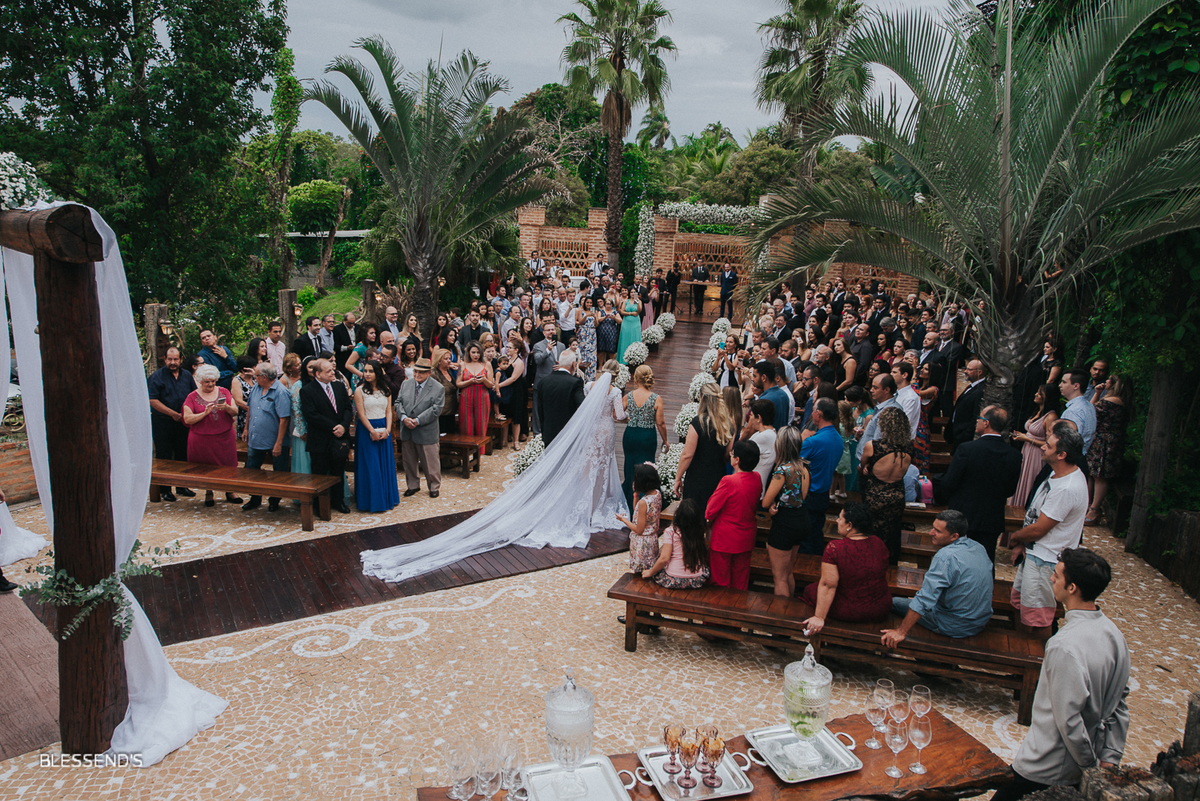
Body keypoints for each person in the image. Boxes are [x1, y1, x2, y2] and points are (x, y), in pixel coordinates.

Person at [362, 356, 630, 581]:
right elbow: (597, 412)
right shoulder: (594, 387)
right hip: (594, 433)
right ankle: (592, 508)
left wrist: (540, 429)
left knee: (584, 471)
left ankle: (582, 505)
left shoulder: (572, 384)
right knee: (597, 472)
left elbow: (557, 409)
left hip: (561, 432)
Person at [992, 548, 1130, 801]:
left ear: (1072, 588)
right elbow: (1119, 703)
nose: (1051, 578)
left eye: (1056, 575)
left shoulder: (1063, 645)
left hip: (1048, 765)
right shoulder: (1115, 636)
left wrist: (1090, 767)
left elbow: (1068, 720)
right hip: (1079, 762)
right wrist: (1110, 756)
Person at [1010, 423, 1089, 639]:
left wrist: (1015, 537)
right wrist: (1022, 545)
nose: (1043, 447)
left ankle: (1037, 656)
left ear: (1062, 455)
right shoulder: (1058, 474)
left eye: (1049, 445)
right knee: (1021, 605)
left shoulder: (1067, 488)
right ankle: (1021, 650)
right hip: (1035, 554)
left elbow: (1039, 529)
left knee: (1038, 618)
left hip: (1045, 561)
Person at [881, 510, 994, 646]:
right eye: (933, 528)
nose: (931, 533)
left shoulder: (945, 556)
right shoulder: (978, 547)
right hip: (979, 621)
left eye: (937, 531)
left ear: (954, 536)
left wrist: (901, 632)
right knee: (912, 602)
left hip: (953, 625)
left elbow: (925, 599)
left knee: (889, 602)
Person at [935, 405, 1023, 564]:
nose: (977, 421)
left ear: (986, 423)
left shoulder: (967, 449)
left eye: (979, 418)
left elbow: (949, 483)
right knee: (985, 561)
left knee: (957, 561)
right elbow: (1010, 490)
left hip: (962, 515)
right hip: (991, 518)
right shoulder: (1014, 455)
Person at [801, 503, 892, 632]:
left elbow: (828, 585)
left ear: (849, 525)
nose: (837, 521)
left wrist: (819, 617)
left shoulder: (835, 548)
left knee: (809, 590)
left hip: (849, 609)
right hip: (880, 607)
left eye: (840, 518)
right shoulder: (878, 542)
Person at [705, 439, 763, 590]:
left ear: (737, 460)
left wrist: (709, 521)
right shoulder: (757, 478)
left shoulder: (729, 481)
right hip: (746, 537)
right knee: (740, 582)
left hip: (724, 537)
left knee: (720, 582)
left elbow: (710, 509)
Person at [181, 364, 241, 507]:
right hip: (203, 439)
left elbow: (235, 411)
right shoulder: (192, 396)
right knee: (206, 466)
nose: (210, 384)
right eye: (207, 381)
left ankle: (230, 490)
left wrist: (226, 407)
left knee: (228, 464)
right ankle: (209, 491)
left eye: (213, 381)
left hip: (224, 436)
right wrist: (204, 414)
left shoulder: (224, 392)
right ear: (200, 381)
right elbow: (187, 419)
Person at [300, 358, 354, 514]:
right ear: (318, 374)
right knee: (320, 474)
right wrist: (333, 427)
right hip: (320, 439)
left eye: (332, 369)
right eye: (328, 371)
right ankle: (319, 506)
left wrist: (343, 426)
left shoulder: (339, 386)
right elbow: (311, 415)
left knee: (338, 472)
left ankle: (338, 501)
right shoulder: (307, 390)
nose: (332, 372)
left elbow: (347, 408)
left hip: (339, 437)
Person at [860, 407, 914, 563]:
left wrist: (866, 467)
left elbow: (862, 465)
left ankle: (870, 562)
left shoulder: (873, 446)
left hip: (874, 494)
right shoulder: (909, 447)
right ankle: (890, 562)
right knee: (892, 532)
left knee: (872, 531)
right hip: (896, 495)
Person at [761, 426, 810, 597]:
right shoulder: (804, 467)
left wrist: (773, 505)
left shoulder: (782, 471)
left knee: (779, 577)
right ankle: (791, 606)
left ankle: (781, 610)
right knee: (788, 571)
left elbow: (765, 501)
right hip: (801, 518)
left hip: (785, 524)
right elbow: (801, 497)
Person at [147, 346, 197, 502]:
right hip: (163, 422)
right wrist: (172, 414)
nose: (173, 362)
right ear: (165, 359)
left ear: (181, 359)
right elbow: (152, 400)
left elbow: (193, 395)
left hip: (183, 422)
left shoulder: (187, 375)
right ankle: (165, 489)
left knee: (183, 454)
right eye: (170, 359)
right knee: (165, 455)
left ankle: (182, 486)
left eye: (175, 359)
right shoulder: (156, 377)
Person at [242, 362, 292, 513]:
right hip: (256, 438)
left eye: (256, 376)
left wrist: (279, 443)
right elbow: (250, 409)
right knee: (252, 469)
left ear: (264, 377)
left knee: (279, 472)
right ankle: (255, 498)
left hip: (274, 440)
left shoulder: (281, 392)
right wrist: (246, 428)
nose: (254, 378)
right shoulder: (256, 388)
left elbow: (284, 419)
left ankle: (274, 500)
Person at [674, 384, 735, 505]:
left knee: (693, 510)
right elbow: (727, 454)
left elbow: (687, 454)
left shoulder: (698, 422)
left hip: (697, 476)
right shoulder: (728, 423)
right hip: (717, 474)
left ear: (702, 398)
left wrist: (678, 477)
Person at [351, 361, 400, 511]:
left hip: (384, 428)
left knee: (384, 463)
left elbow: (388, 411)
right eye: (365, 371)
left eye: (371, 371)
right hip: (367, 430)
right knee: (371, 464)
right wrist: (372, 431)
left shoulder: (386, 390)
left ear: (377, 373)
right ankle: (370, 501)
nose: (367, 374)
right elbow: (361, 414)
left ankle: (386, 497)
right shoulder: (359, 391)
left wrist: (387, 430)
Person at [392, 356, 443, 499]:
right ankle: (413, 485)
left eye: (421, 372)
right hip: (407, 428)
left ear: (429, 373)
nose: (417, 374)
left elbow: (436, 409)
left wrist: (418, 420)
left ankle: (434, 486)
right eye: (415, 371)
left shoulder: (438, 388)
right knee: (409, 460)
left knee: (430, 462)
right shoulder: (405, 384)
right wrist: (404, 418)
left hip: (426, 430)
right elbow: (398, 402)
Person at [800, 397, 844, 554]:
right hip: (823, 492)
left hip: (809, 493)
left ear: (818, 414)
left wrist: (802, 439)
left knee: (805, 538)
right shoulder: (838, 438)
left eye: (813, 411)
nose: (812, 414)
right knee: (816, 533)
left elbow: (793, 465)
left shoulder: (813, 442)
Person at [1086, 373, 1132, 525]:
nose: (1105, 381)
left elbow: (1089, 411)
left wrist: (1097, 394)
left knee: (1100, 476)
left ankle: (1094, 510)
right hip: (1105, 440)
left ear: (1114, 384)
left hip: (1105, 442)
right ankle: (1088, 507)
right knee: (1092, 474)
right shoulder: (1121, 401)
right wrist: (1098, 393)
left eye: (1108, 380)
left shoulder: (1112, 401)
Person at [622, 365, 668, 509]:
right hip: (647, 437)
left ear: (636, 378)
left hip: (630, 435)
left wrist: (629, 420)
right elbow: (660, 423)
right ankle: (646, 501)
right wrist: (665, 440)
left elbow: (617, 414)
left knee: (630, 466)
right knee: (647, 466)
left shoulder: (628, 396)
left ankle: (629, 500)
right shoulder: (656, 398)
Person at [1010, 383, 1061, 507]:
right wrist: (1023, 436)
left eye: (1040, 393)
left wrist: (1027, 439)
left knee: (1030, 479)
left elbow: (1050, 442)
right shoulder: (1038, 411)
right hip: (1027, 450)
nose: (1036, 394)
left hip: (1037, 454)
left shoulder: (1051, 417)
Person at [616, 463, 663, 574]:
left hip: (642, 544)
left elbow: (639, 529)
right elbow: (638, 512)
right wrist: (636, 495)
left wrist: (623, 520)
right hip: (652, 539)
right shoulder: (657, 494)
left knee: (640, 573)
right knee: (650, 569)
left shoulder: (644, 502)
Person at [537, 349, 589, 446]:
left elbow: (539, 409)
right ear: (573, 364)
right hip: (568, 434)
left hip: (548, 433)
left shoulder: (543, 382)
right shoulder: (575, 382)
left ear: (559, 363)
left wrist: (544, 431)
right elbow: (581, 407)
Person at [856, 373, 899, 460]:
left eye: (875, 388)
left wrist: (867, 463)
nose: (871, 390)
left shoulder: (890, 411)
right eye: (872, 387)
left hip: (872, 461)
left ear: (886, 390)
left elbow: (879, 443)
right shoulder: (881, 407)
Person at [947, 359, 986, 451]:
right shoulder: (972, 387)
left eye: (969, 369)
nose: (965, 371)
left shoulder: (981, 390)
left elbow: (975, 416)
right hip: (957, 433)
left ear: (979, 372)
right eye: (966, 368)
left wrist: (965, 435)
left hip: (964, 436)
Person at [456, 341, 493, 439]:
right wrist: (470, 381)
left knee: (481, 425)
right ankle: (467, 447)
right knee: (466, 425)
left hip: (482, 397)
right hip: (466, 397)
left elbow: (490, 384)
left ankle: (480, 448)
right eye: (473, 352)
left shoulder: (487, 364)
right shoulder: (462, 365)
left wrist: (484, 380)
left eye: (478, 352)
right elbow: (458, 383)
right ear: (468, 352)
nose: (476, 355)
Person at [740, 399, 777, 495]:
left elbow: (742, 455)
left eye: (752, 415)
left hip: (751, 489)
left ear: (759, 418)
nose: (750, 418)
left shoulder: (764, 437)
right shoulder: (767, 433)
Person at [496, 341, 529, 449]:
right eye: (507, 347)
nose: (507, 349)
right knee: (505, 414)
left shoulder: (519, 362)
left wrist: (499, 385)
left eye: (510, 347)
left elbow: (513, 378)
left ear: (516, 350)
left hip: (516, 391)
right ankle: (504, 440)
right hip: (506, 391)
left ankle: (516, 441)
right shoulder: (507, 360)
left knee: (516, 417)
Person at [912, 362, 942, 472]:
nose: (922, 370)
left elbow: (915, 394)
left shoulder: (934, 389)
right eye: (922, 368)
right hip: (913, 421)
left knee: (919, 457)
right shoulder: (919, 384)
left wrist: (914, 373)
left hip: (921, 425)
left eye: (926, 369)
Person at [290, 356, 317, 474]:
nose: (313, 370)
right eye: (310, 367)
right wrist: (302, 430)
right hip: (304, 429)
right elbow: (296, 409)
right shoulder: (298, 385)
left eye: (315, 367)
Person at [430, 347, 459, 436]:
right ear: (439, 361)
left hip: (451, 410)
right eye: (446, 359)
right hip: (441, 413)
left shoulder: (449, 371)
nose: (449, 361)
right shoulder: (433, 374)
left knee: (452, 435)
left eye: (449, 358)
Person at [891, 362, 921, 439]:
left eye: (894, 372)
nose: (891, 374)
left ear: (904, 375)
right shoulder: (895, 394)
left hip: (902, 440)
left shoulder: (910, 397)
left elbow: (905, 422)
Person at [616, 286, 642, 365]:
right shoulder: (626, 301)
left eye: (634, 292)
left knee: (635, 338)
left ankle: (635, 359)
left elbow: (639, 310)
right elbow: (622, 311)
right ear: (629, 293)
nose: (633, 293)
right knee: (625, 339)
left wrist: (637, 302)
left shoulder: (639, 301)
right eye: (631, 292)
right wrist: (631, 313)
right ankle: (623, 360)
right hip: (626, 322)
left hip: (635, 323)